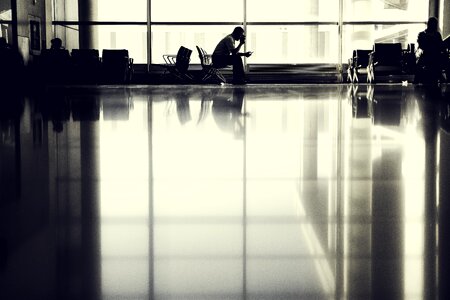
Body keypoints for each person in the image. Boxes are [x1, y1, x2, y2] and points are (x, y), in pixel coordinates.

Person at [415, 17, 444, 84]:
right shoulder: (437, 35)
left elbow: (421, 46)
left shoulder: (422, 34)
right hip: (434, 59)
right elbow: (440, 46)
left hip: (427, 58)